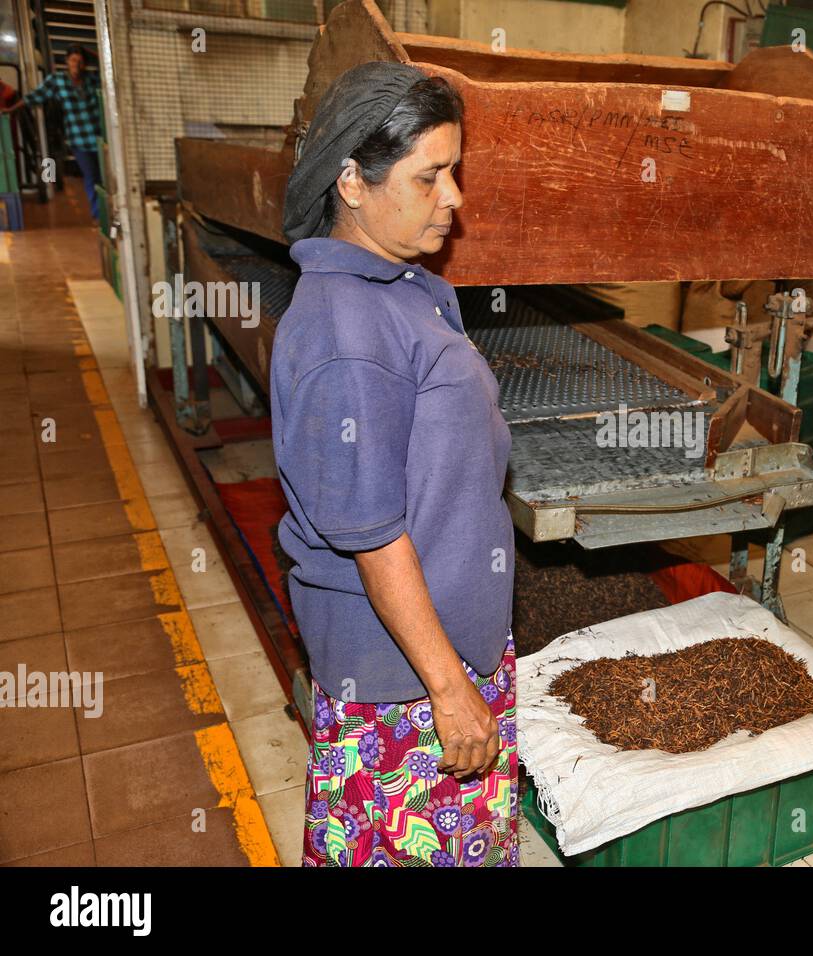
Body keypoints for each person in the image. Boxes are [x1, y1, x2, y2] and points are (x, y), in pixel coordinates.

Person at [274, 61, 517, 867]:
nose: (453, 197)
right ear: (351, 181)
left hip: (440, 660)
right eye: (429, 176)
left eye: (454, 171)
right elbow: (373, 536)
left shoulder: (396, 285)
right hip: (403, 688)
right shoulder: (347, 332)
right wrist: (450, 691)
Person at [1, 46, 102, 220]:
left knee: (103, 177)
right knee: (91, 176)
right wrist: (10, 110)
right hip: (79, 140)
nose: (76, 65)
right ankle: (98, 214)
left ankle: (104, 212)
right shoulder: (57, 81)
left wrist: (90, 52)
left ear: (85, 64)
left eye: (80, 61)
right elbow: (34, 96)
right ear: (66, 62)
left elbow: (108, 68)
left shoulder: (92, 80)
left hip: (99, 138)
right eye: (73, 60)